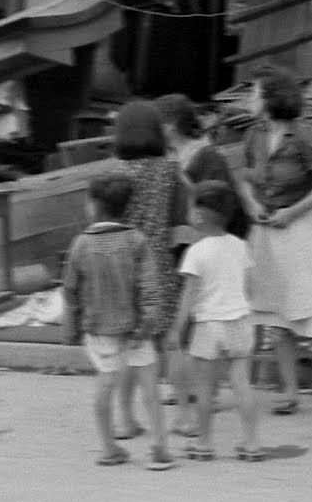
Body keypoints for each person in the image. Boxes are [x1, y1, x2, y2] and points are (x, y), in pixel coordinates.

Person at [235, 64, 312, 418]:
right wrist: (252, 203)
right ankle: (289, 392)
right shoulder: (255, 137)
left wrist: (293, 212)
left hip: (301, 232)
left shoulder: (305, 139)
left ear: (271, 100)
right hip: (266, 231)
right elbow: (245, 178)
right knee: (277, 315)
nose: (250, 99)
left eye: (255, 93)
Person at [61, 173, 174, 470]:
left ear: (94, 205)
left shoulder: (80, 245)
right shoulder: (137, 240)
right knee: (149, 382)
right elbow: (149, 286)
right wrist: (149, 322)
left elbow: (70, 290)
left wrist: (70, 327)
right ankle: (159, 447)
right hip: (137, 328)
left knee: (106, 382)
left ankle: (109, 448)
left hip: (99, 328)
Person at [167, 180, 262, 461]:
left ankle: (205, 443)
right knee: (241, 384)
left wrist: (176, 329)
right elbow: (250, 287)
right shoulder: (240, 246)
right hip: (240, 322)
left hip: (209, 326)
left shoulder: (196, 252)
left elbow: (188, 296)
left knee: (205, 389)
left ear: (198, 215)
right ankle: (252, 442)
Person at [111, 100, 187, 438]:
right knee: (171, 343)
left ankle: (126, 419)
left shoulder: (116, 174)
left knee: (131, 347)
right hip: (161, 265)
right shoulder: (171, 171)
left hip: (125, 267)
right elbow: (179, 226)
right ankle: (185, 417)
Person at [156, 92, 249, 239]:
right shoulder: (166, 155)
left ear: (170, 125)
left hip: (206, 243)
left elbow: (221, 206)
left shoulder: (208, 157)